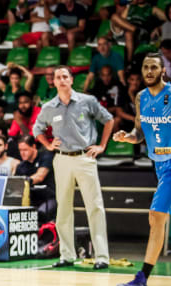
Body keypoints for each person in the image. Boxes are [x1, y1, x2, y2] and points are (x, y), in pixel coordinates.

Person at [113, 53, 171, 286]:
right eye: (146, 67)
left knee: (156, 216)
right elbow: (139, 132)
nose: (149, 71)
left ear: (163, 70)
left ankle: (141, 279)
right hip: (160, 165)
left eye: (154, 67)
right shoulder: (141, 98)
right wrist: (128, 137)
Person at [33, 65, 114, 270]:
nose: (61, 80)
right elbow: (37, 129)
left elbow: (109, 120)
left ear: (71, 79)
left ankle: (102, 256)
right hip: (61, 159)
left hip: (85, 157)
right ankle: (67, 255)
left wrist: (102, 146)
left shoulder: (87, 101)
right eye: (57, 77)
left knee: (94, 206)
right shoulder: (49, 107)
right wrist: (48, 144)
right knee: (63, 208)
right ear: (53, 82)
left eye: (64, 76)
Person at [15, 135, 56, 223]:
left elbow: (40, 177)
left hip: (49, 197)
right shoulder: (21, 166)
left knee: (40, 214)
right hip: (31, 198)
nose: (22, 153)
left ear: (33, 147)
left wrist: (25, 181)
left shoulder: (46, 156)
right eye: (20, 150)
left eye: (25, 150)